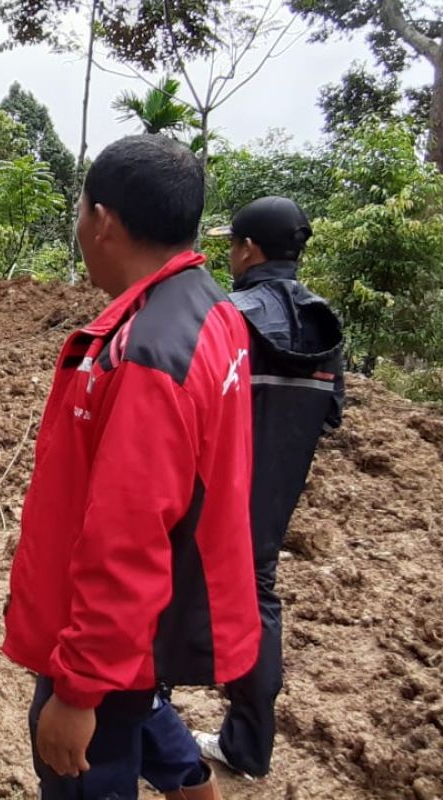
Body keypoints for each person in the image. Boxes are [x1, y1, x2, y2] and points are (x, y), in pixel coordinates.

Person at [1, 135, 260, 800]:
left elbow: (128, 538)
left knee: (79, 750)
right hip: (149, 627)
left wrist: (78, 689)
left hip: (112, 638)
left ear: (103, 220)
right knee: (140, 704)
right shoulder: (210, 309)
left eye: (81, 209)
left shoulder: (148, 356)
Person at [191, 197, 345, 780]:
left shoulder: (227, 316)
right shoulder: (325, 325)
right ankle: (248, 746)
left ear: (247, 249)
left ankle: (140, 726)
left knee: (165, 588)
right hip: (271, 506)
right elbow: (329, 416)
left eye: (232, 245)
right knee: (258, 601)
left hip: (208, 497)